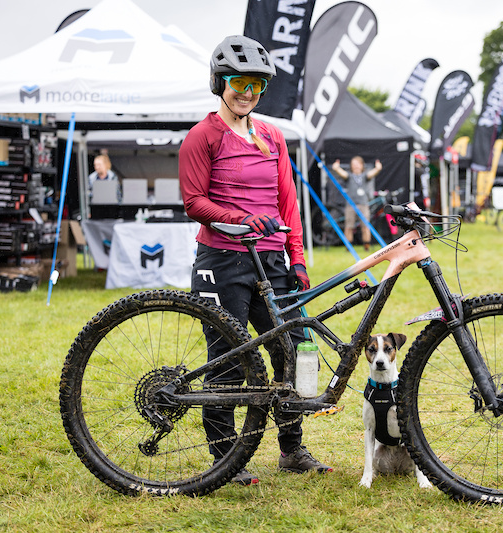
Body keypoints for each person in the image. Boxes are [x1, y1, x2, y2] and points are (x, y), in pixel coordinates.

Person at [179, 35, 331, 486]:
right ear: (219, 82)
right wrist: (244, 219)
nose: (247, 92)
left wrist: (297, 260)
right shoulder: (201, 136)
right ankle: (226, 463)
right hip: (222, 260)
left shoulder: (272, 136)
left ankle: (291, 449)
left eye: (256, 86)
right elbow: (193, 203)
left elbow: (288, 202)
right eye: (239, 82)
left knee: (292, 349)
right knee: (226, 362)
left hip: (271, 261)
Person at [331, 156, 382, 250]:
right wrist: (337, 168)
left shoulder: (365, 176)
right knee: (349, 226)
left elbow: (372, 173)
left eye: (358, 164)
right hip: (351, 205)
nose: (356, 166)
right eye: (354, 164)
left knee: (365, 226)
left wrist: (377, 168)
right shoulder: (349, 176)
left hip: (363, 204)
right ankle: (348, 246)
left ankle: (366, 245)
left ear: (362, 165)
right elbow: (342, 173)